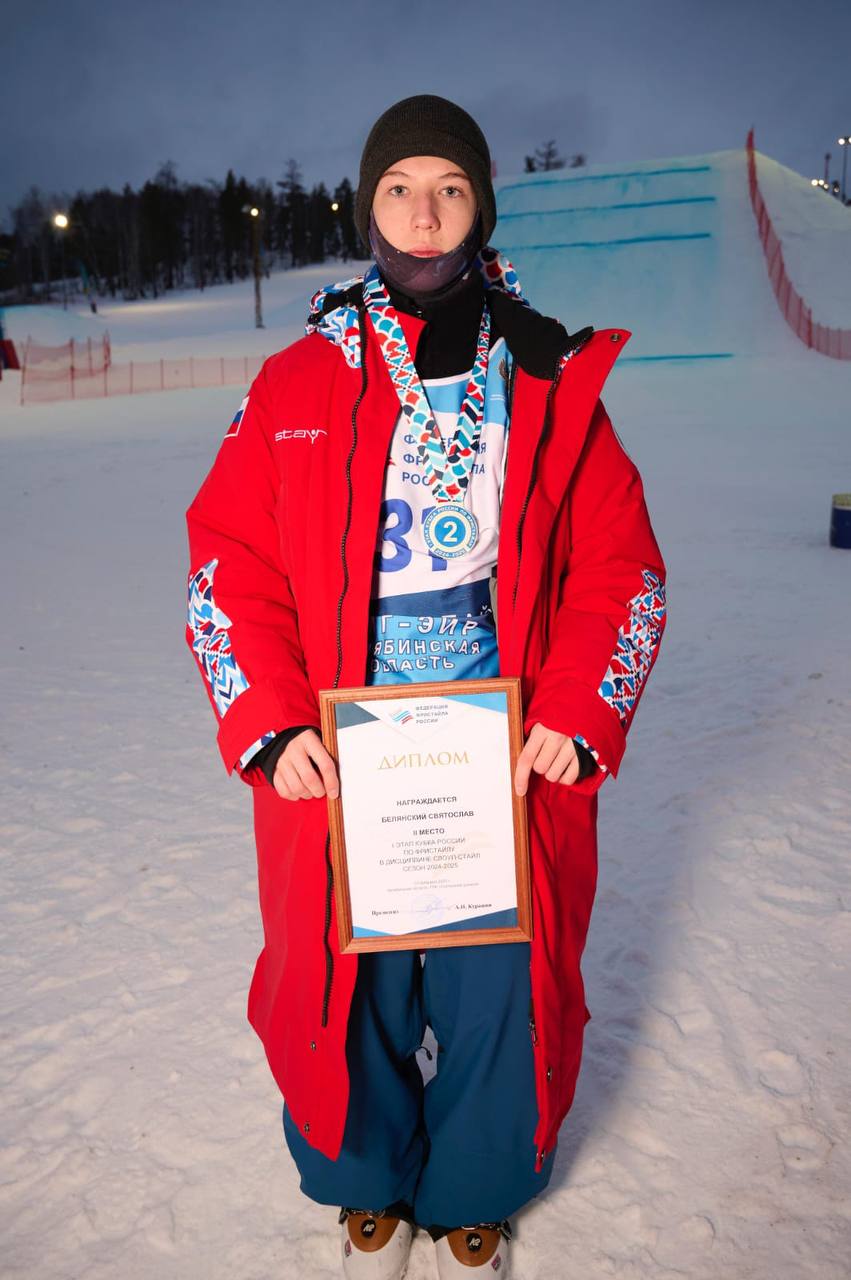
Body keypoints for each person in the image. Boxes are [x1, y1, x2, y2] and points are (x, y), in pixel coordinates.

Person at [185, 94, 667, 1279]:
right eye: (400, 186)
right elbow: (223, 560)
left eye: (448, 187)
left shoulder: (545, 373)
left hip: (497, 728)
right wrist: (268, 720)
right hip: (336, 733)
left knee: (496, 967)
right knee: (351, 968)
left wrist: (573, 708)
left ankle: (479, 1179)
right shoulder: (296, 380)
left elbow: (623, 567)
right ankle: (362, 1166)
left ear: (479, 205)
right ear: (368, 207)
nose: (423, 210)